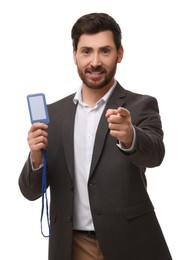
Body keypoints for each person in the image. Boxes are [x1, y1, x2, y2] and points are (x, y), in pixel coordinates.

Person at [19, 12, 172, 260]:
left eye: (105, 51)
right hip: (72, 245)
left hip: (131, 242)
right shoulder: (53, 115)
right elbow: (30, 191)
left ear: (119, 54)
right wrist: (36, 158)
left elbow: (155, 155)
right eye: (86, 51)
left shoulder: (141, 105)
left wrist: (131, 136)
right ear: (75, 56)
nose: (95, 61)